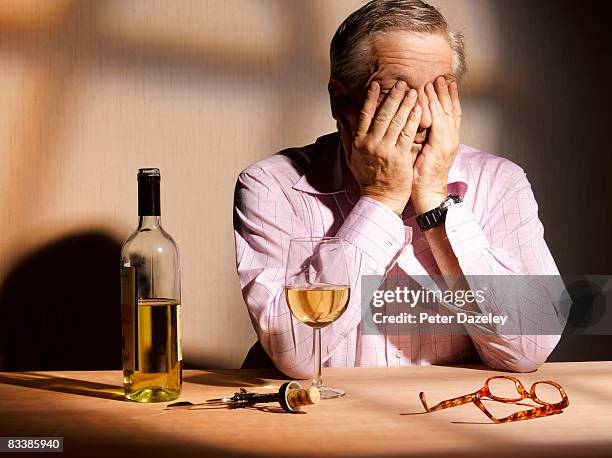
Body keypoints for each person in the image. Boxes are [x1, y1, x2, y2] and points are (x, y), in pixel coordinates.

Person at [233, 0, 561, 378]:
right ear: (339, 100)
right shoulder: (272, 185)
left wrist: (437, 203)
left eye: (439, 93)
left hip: (453, 420)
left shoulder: (501, 181)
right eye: (398, 93)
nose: (422, 118)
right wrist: (381, 200)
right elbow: (297, 355)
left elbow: (527, 351)